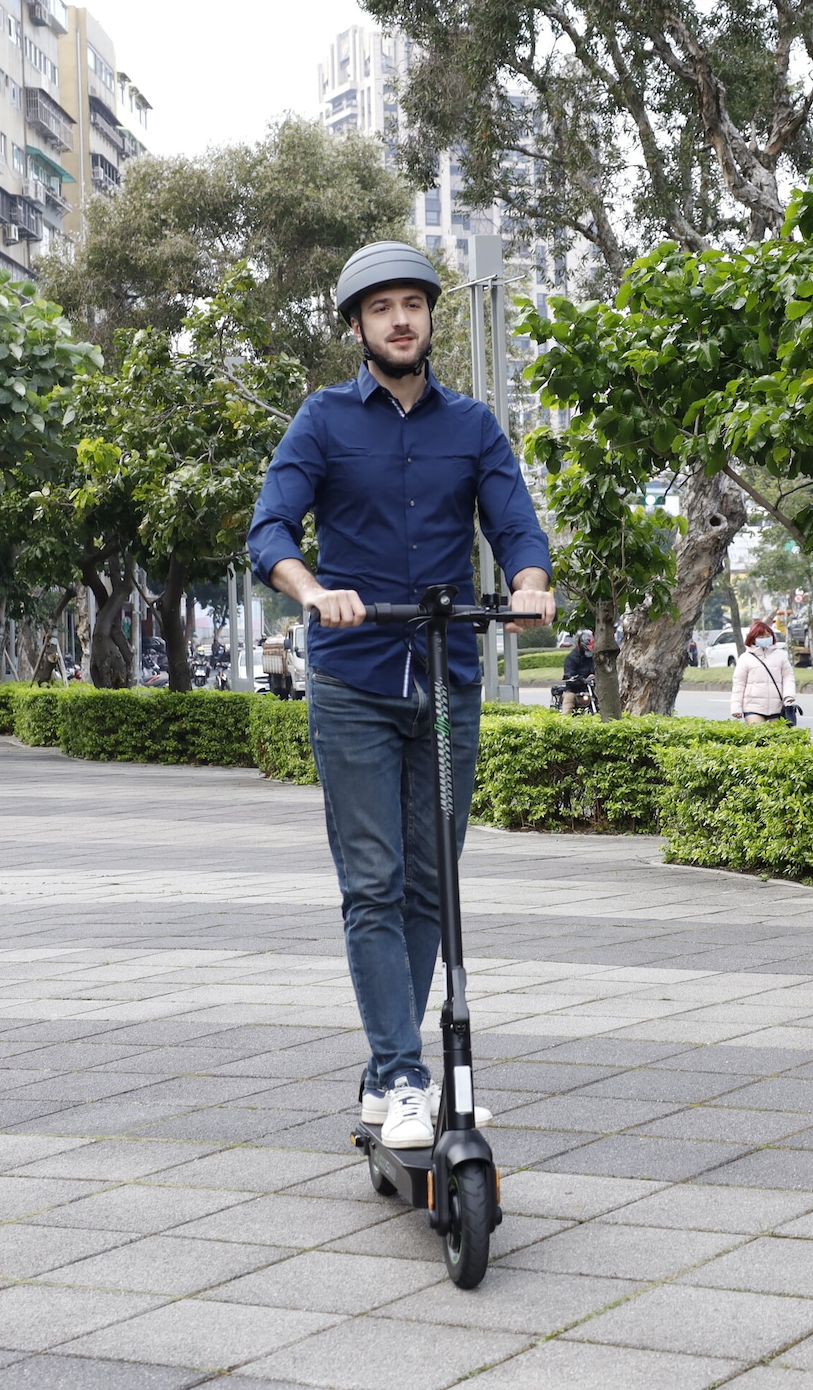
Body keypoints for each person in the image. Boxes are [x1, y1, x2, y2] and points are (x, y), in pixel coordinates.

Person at [247, 239, 555, 1151]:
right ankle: (407, 1072)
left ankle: (392, 1076)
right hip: (354, 678)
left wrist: (530, 582)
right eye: (380, 308)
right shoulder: (323, 420)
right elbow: (271, 527)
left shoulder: (473, 427)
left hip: (447, 675)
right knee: (374, 883)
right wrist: (313, 593)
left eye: (412, 305)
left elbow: (515, 524)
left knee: (433, 884)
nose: (400, 320)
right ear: (356, 327)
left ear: (429, 318)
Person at [732, 619, 798, 723]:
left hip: (777, 707)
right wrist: (736, 708)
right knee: (758, 735)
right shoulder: (745, 658)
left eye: (768, 636)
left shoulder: (780, 656)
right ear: (753, 638)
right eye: (761, 637)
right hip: (753, 707)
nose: (765, 639)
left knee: (775, 738)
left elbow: (788, 677)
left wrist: (789, 695)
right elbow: (738, 684)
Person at [557, 629, 596, 714]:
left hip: (592, 690)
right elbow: (569, 675)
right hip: (574, 690)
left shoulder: (594, 658)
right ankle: (564, 722)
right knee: (568, 700)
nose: (588, 652)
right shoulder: (571, 658)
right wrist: (581, 680)